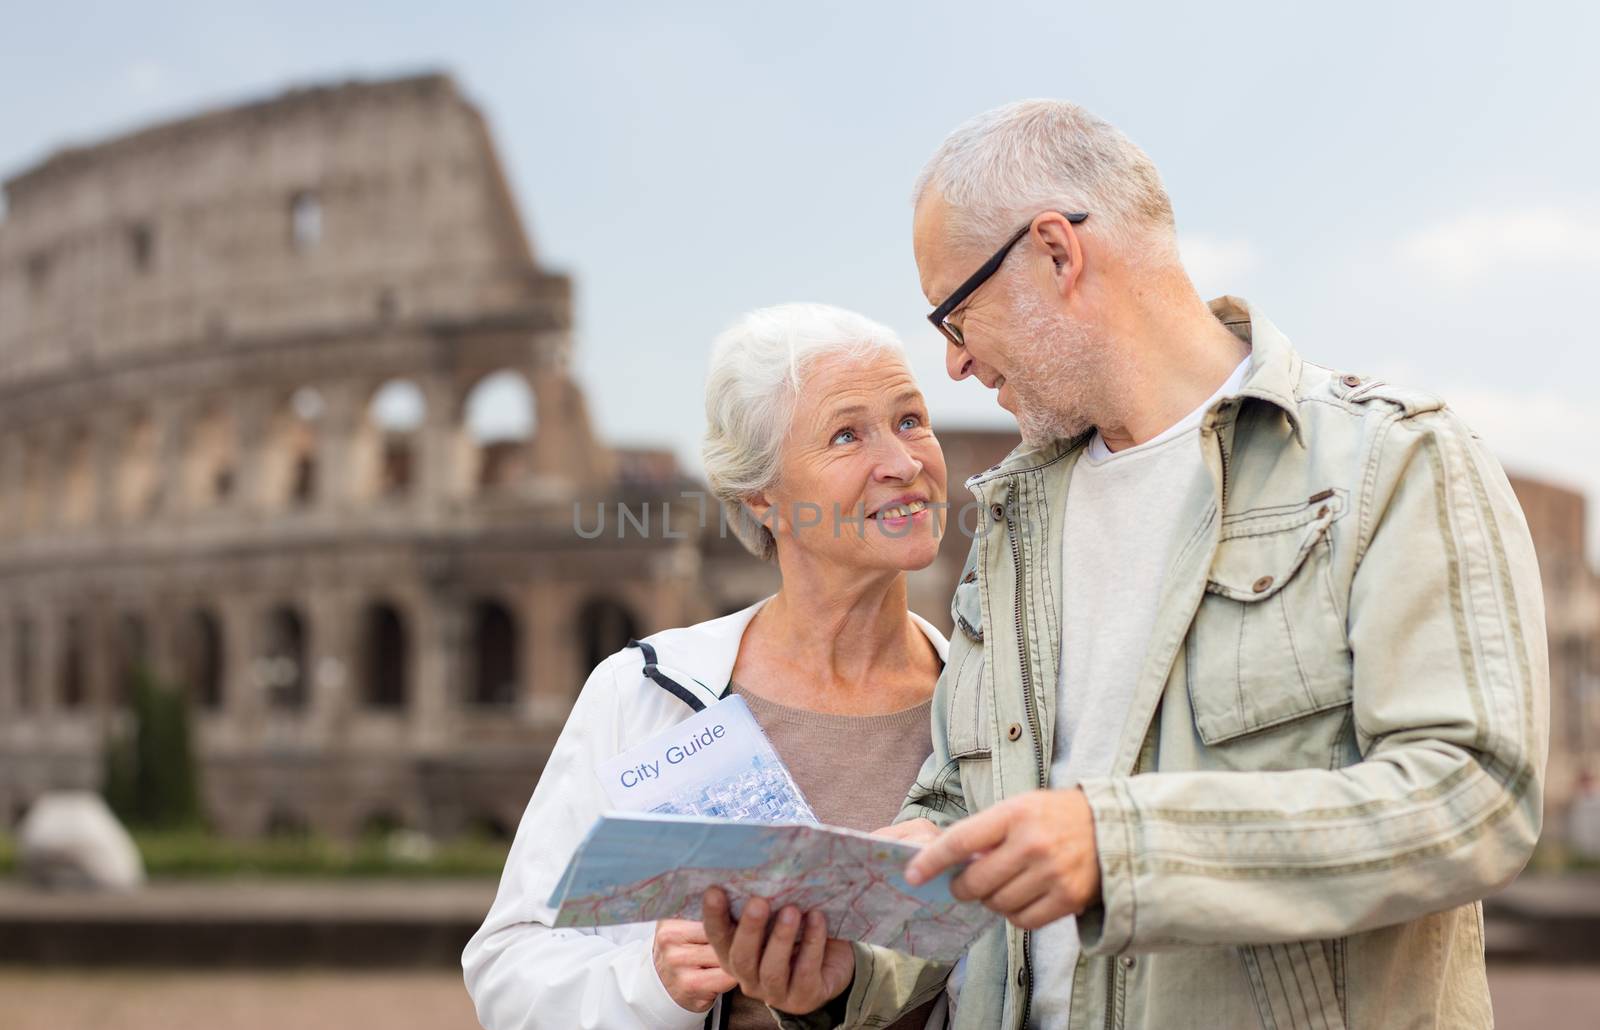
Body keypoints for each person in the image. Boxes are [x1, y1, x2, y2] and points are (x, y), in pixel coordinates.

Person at [706, 100, 1549, 1030]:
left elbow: (1475, 795)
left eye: (955, 313)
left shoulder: (1394, 462)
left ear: (1057, 254)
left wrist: (1120, 847)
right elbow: (957, 815)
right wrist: (844, 975)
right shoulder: (1009, 524)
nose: (952, 364)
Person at [462, 302, 953, 1030]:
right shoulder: (643, 691)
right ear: (762, 498)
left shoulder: (989, 703)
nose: (904, 462)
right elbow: (507, 967)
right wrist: (653, 983)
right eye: (847, 434)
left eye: (911, 420)